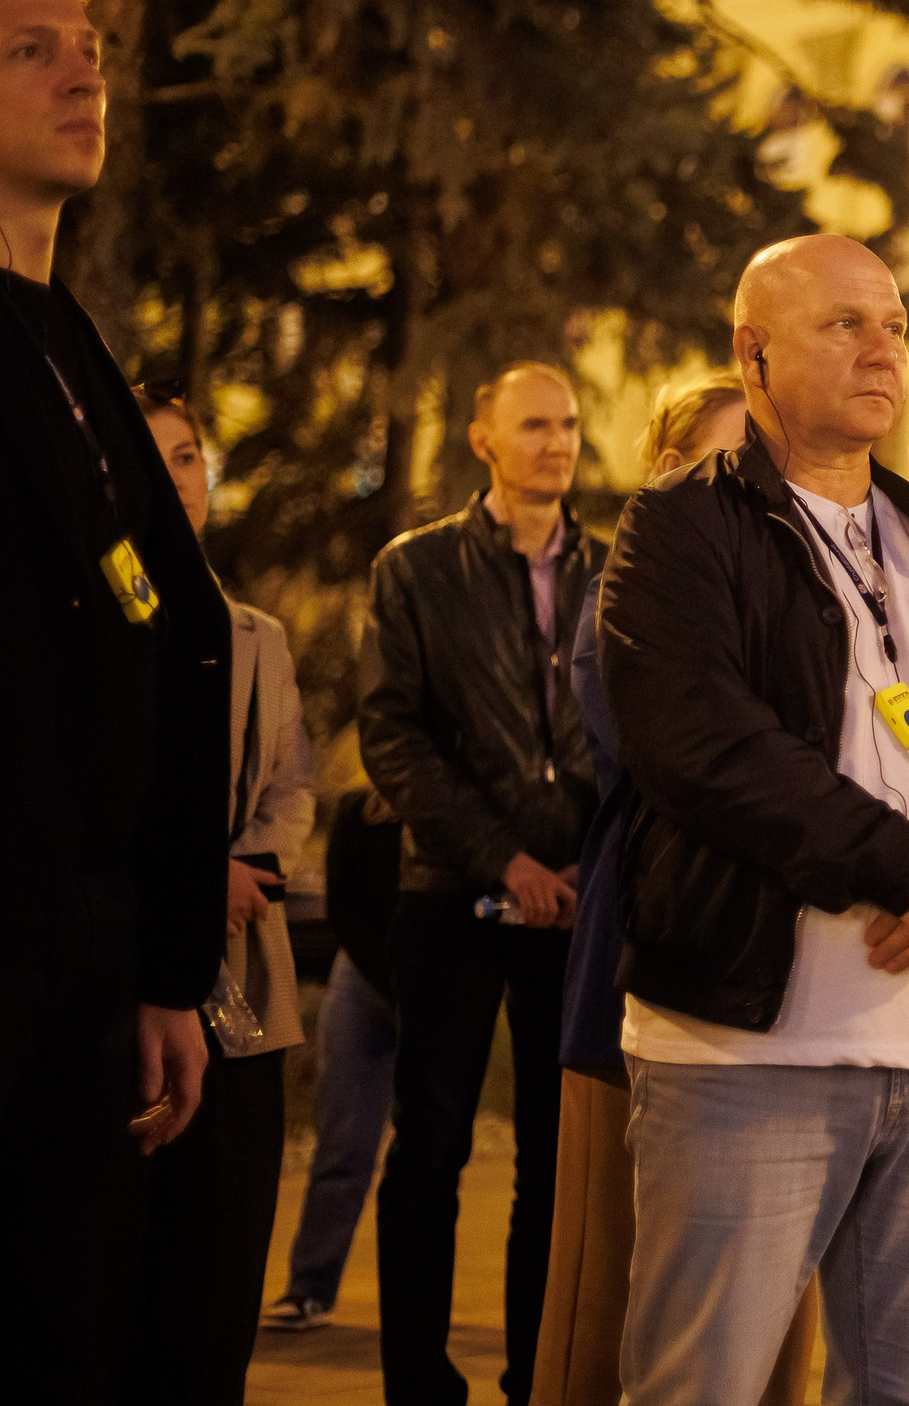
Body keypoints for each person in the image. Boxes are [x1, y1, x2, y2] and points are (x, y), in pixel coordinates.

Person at [598, 235, 909, 1405]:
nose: (883, 347)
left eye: (896, 325)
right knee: (698, 1388)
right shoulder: (679, 529)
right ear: (751, 350)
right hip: (746, 1052)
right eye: (843, 324)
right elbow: (701, 744)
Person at [0, 0, 232, 1405]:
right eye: (33, 48)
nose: (87, 68)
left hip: (83, 972)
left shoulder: (73, 342)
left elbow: (165, 639)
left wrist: (162, 968)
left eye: (92, 47)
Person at [531, 374, 818, 1406]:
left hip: (782, 980)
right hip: (640, 957)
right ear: (666, 470)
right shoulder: (628, 592)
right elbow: (684, 765)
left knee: (773, 1283)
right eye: (722, 460)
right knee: (609, 1275)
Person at [359, 361, 604, 1406]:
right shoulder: (415, 567)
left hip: (580, 900)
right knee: (432, 1146)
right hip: (451, 892)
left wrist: (593, 862)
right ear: (483, 440)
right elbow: (393, 734)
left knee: (556, 1160)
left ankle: (533, 1376)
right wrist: (502, 857)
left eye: (570, 425)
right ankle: (417, 1379)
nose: (557, 442)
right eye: (535, 424)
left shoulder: (614, 568)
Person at [123, 386, 315, 1406]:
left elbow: (293, 787)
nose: (177, 478)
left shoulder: (258, 633)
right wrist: (196, 878)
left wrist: (242, 874)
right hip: (130, 971)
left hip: (248, 977)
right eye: (153, 456)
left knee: (227, 1250)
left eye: (190, 455)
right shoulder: (95, 628)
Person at [266, 786, 404, 1331]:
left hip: (441, 990)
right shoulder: (359, 812)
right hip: (365, 985)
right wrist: (394, 982)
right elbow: (344, 910)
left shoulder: (465, 814)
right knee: (344, 1145)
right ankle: (310, 1289)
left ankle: (415, 1307)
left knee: (429, 1159)